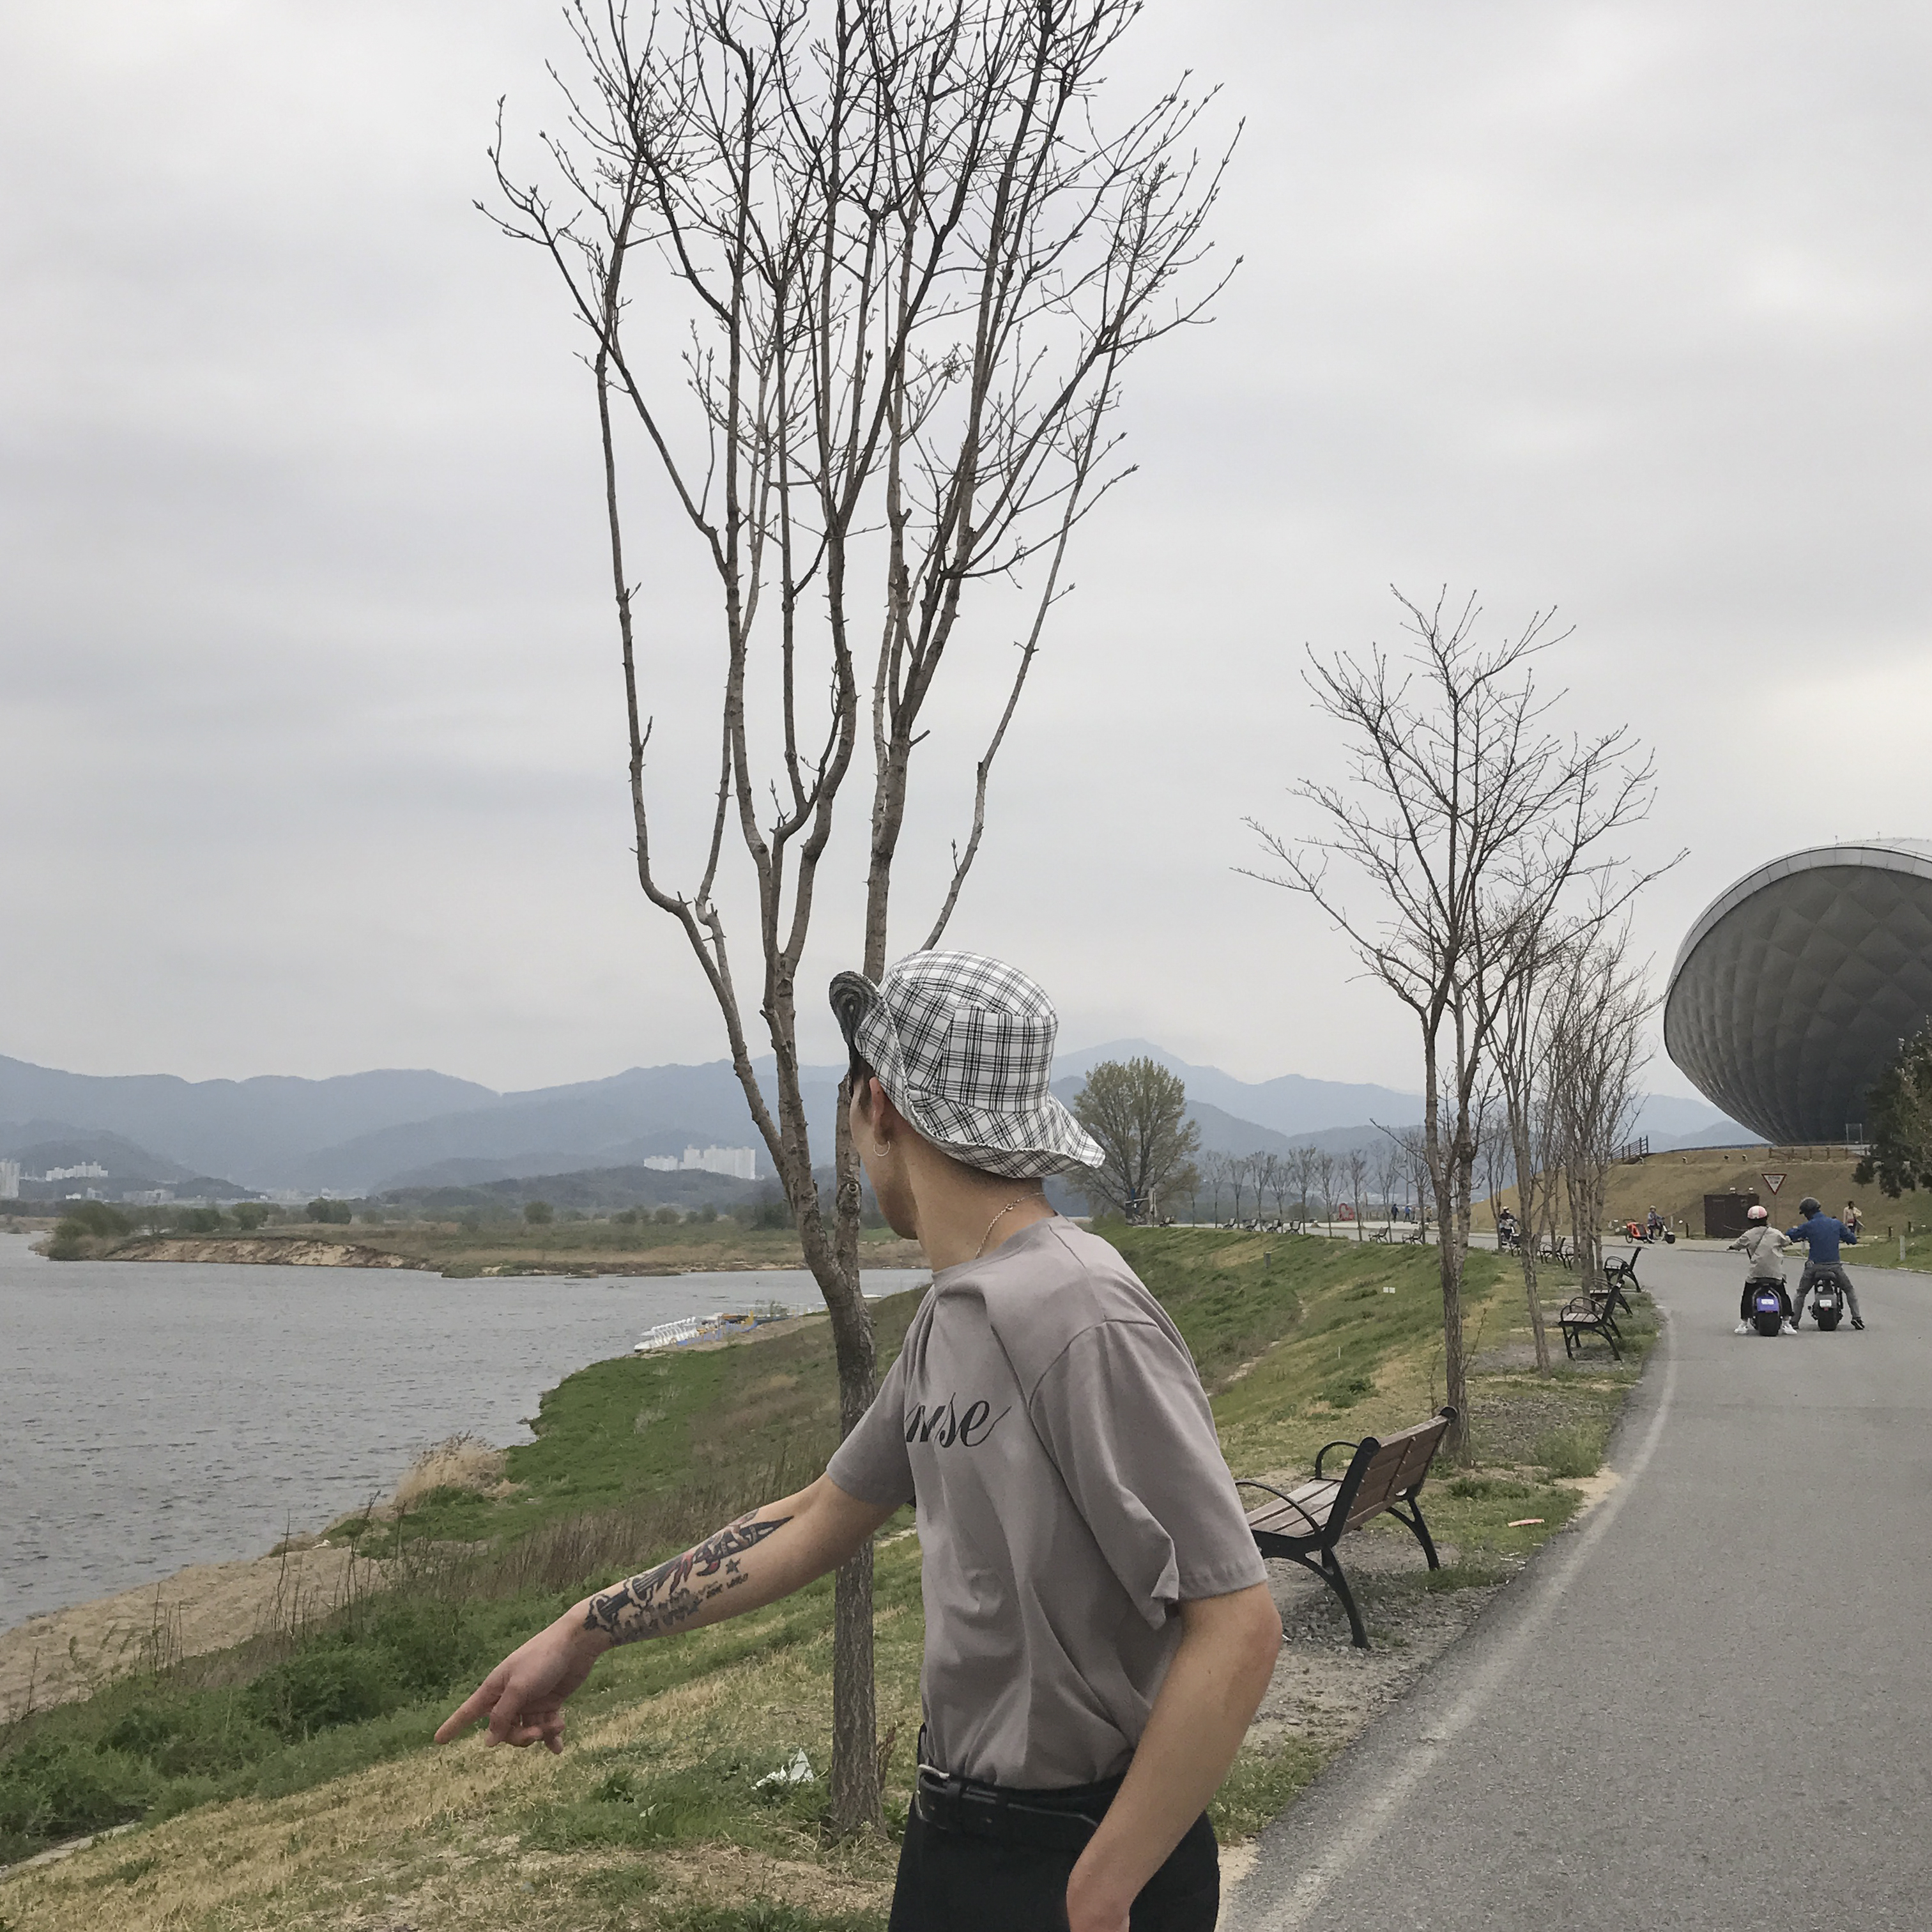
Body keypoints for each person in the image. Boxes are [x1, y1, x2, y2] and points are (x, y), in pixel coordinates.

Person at [434, 950, 1284, 1932]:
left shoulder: (1081, 1310)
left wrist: (1102, 1888)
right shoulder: (953, 1318)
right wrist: (586, 1627)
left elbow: (1239, 1623)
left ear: (876, 1106)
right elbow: (815, 1518)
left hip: (1078, 1861)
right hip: (956, 1839)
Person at [1787, 1195, 1865, 1330]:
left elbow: (1791, 1235)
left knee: (1801, 1293)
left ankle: (1794, 1322)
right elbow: (1852, 1239)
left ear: (1808, 1213)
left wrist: (1792, 1232)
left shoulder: (1808, 1226)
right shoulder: (1836, 1224)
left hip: (1814, 1266)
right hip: (1834, 1266)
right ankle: (1857, 1318)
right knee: (1849, 1290)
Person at [1729, 1204, 1794, 1333]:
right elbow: (1786, 1242)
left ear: (1750, 1221)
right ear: (1766, 1218)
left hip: (1756, 1274)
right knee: (1782, 1294)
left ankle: (1744, 1324)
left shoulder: (1748, 1235)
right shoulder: (1775, 1233)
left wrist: (1732, 1247)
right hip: (1775, 1273)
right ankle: (1787, 1323)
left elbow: (1737, 1245)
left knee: (1747, 1295)